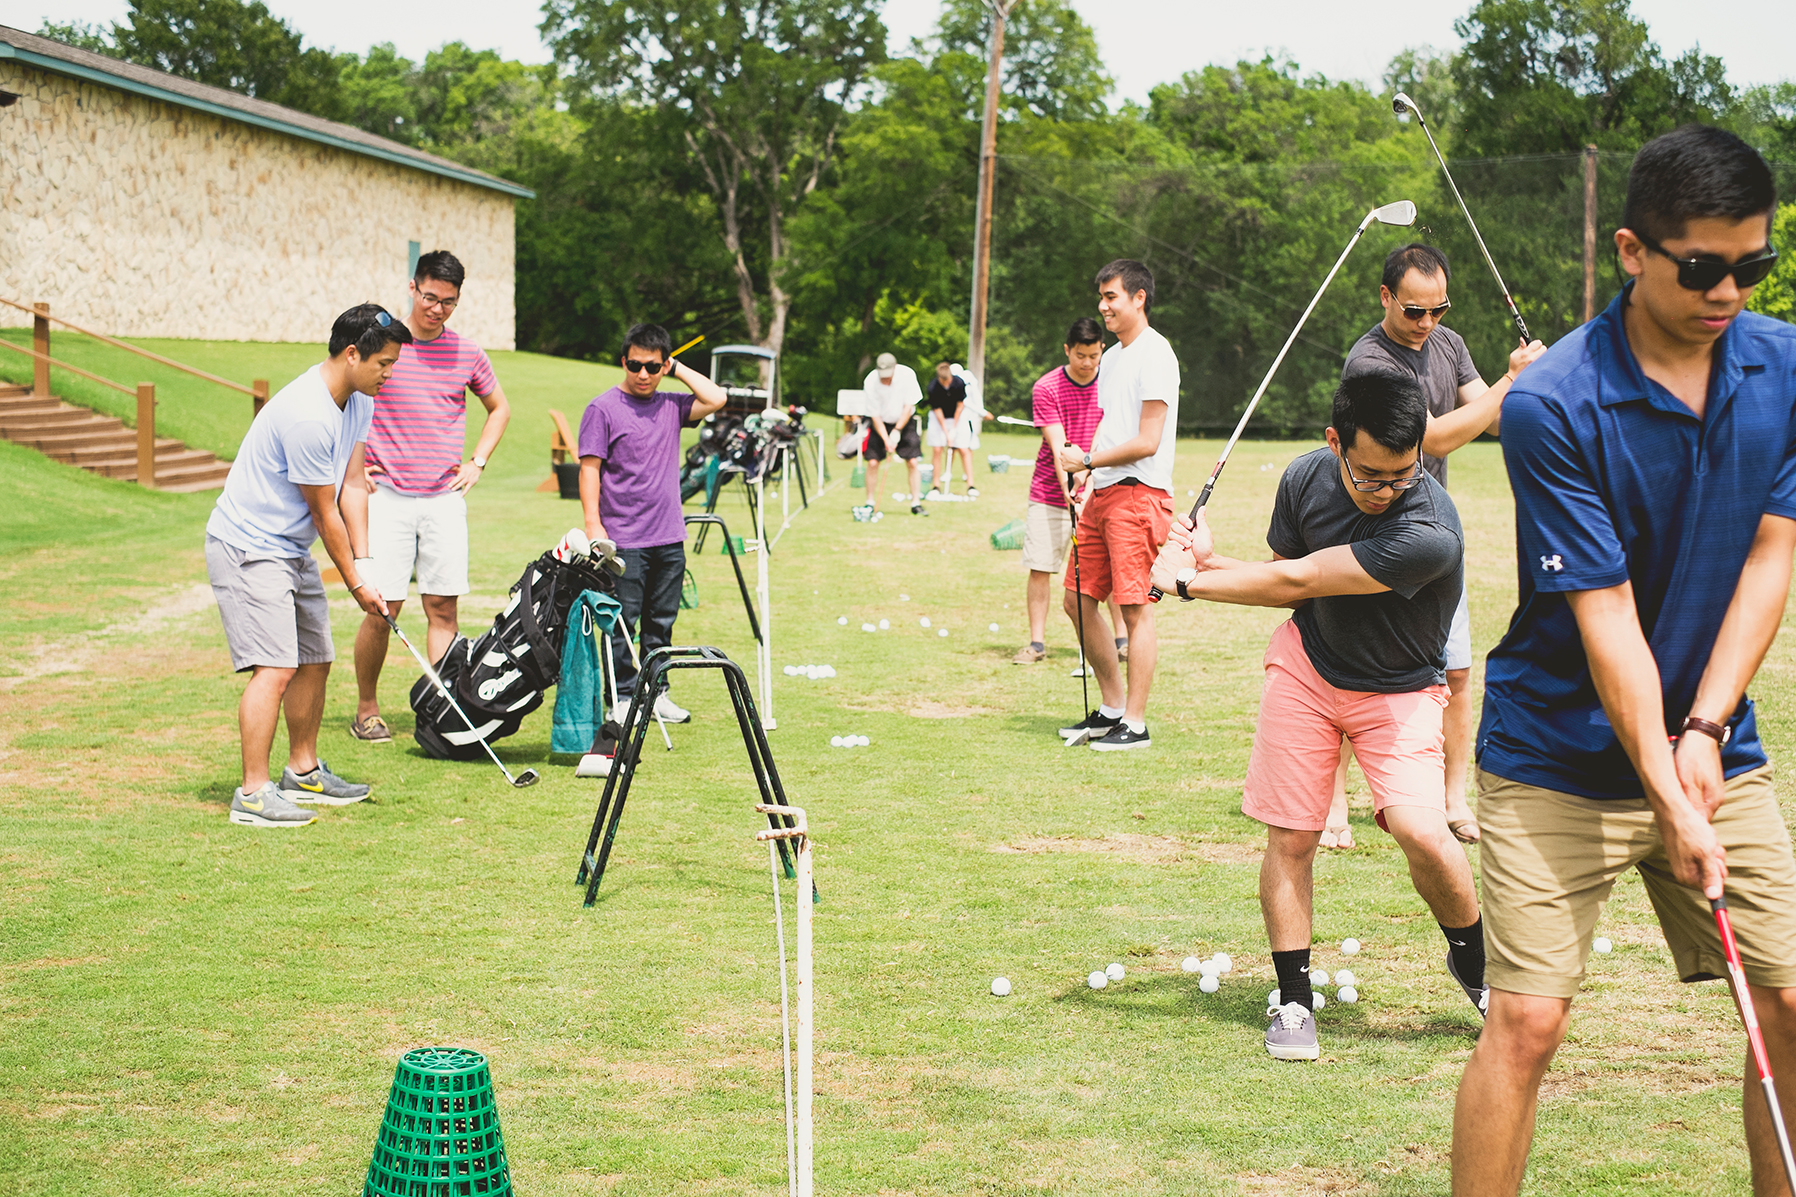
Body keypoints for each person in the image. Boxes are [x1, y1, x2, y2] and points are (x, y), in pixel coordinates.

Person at [1451, 124, 1796, 1197]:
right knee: (1527, 1021)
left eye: (1753, 265)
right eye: (1702, 267)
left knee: (1787, 1000)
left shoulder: (1783, 365)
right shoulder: (1554, 399)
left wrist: (1702, 733)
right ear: (1631, 250)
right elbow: (1604, 623)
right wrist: (1665, 785)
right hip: (1555, 752)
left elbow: (1772, 554)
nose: (1728, 290)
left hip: (1709, 742)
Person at [1153, 370, 1489, 1059]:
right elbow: (1289, 583)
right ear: (1335, 442)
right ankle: (1295, 1000)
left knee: (1422, 831)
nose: (1389, 489)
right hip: (1310, 666)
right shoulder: (1306, 479)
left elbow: (1303, 578)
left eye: (1405, 472)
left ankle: (1476, 965)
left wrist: (1189, 582)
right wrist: (1213, 558)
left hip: (1399, 687)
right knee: (1293, 835)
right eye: (1371, 476)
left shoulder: (1429, 529)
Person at [1321, 244, 1546, 846]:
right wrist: (1514, 378)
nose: (1427, 324)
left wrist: (1534, 384)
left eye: (1439, 309)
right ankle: (1335, 802)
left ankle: (1452, 799)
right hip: (1368, 525)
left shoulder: (1448, 344)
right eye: (1415, 311)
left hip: (1431, 528)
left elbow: (1491, 418)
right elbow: (1435, 439)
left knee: (1457, 669)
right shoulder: (1371, 360)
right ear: (1386, 297)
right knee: (1349, 669)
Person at [204, 305, 408, 827]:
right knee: (274, 667)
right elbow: (325, 512)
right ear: (352, 354)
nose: (390, 373)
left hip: (289, 549)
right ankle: (252, 794)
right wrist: (357, 584)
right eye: (384, 363)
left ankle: (303, 770)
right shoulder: (308, 415)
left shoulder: (358, 399)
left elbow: (354, 485)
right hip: (249, 547)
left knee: (315, 659)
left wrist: (366, 564)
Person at [349, 250, 513, 743]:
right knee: (384, 609)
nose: (437, 308)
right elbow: (345, 401)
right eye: (430, 297)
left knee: (443, 609)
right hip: (388, 497)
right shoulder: (381, 346)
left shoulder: (467, 353)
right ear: (412, 287)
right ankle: (367, 708)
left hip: (443, 499)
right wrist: (356, 468)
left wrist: (477, 462)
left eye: (449, 301)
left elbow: (499, 408)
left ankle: (444, 708)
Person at [1055, 260, 1179, 751]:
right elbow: (1112, 425)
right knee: (1076, 600)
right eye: (1101, 297)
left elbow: (1148, 440)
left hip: (1139, 496)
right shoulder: (1114, 358)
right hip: (1104, 494)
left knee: (1133, 611)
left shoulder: (1157, 354)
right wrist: (1087, 473)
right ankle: (1110, 710)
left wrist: (1086, 457)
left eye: (1112, 297)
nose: (1103, 306)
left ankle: (1137, 722)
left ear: (1139, 297)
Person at [579, 323, 727, 724]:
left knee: (661, 623)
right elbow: (589, 469)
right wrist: (593, 523)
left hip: (668, 536)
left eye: (652, 366)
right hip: (624, 537)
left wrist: (676, 368)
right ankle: (623, 698)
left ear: (664, 366)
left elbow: (717, 397)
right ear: (622, 362)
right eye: (634, 364)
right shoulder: (602, 408)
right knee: (622, 625)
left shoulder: (672, 405)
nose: (643, 374)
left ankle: (656, 693)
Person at [1013, 317, 1123, 666]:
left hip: (1102, 486)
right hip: (1051, 488)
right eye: (1080, 355)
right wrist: (1073, 495)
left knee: (1110, 567)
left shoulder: (1112, 382)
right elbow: (1059, 447)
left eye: (1093, 355)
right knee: (1040, 565)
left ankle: (1121, 641)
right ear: (1067, 350)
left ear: (1101, 349)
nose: (1087, 362)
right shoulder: (1046, 387)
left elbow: (1109, 435)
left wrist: (1090, 483)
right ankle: (1036, 643)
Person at [857, 352, 925, 518]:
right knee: (872, 462)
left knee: (913, 462)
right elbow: (874, 415)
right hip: (880, 423)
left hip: (905, 421)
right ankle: (870, 502)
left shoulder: (907, 375)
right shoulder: (871, 381)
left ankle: (916, 502)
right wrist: (887, 439)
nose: (885, 379)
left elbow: (908, 407)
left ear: (895, 369)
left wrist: (897, 431)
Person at [925, 361, 976, 499]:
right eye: (943, 380)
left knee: (964, 449)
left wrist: (953, 427)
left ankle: (970, 485)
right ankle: (936, 486)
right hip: (939, 420)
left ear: (950, 376)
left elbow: (960, 405)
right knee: (937, 449)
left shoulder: (959, 383)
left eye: (947, 380)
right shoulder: (933, 387)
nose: (945, 383)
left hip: (958, 417)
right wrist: (946, 433)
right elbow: (937, 410)